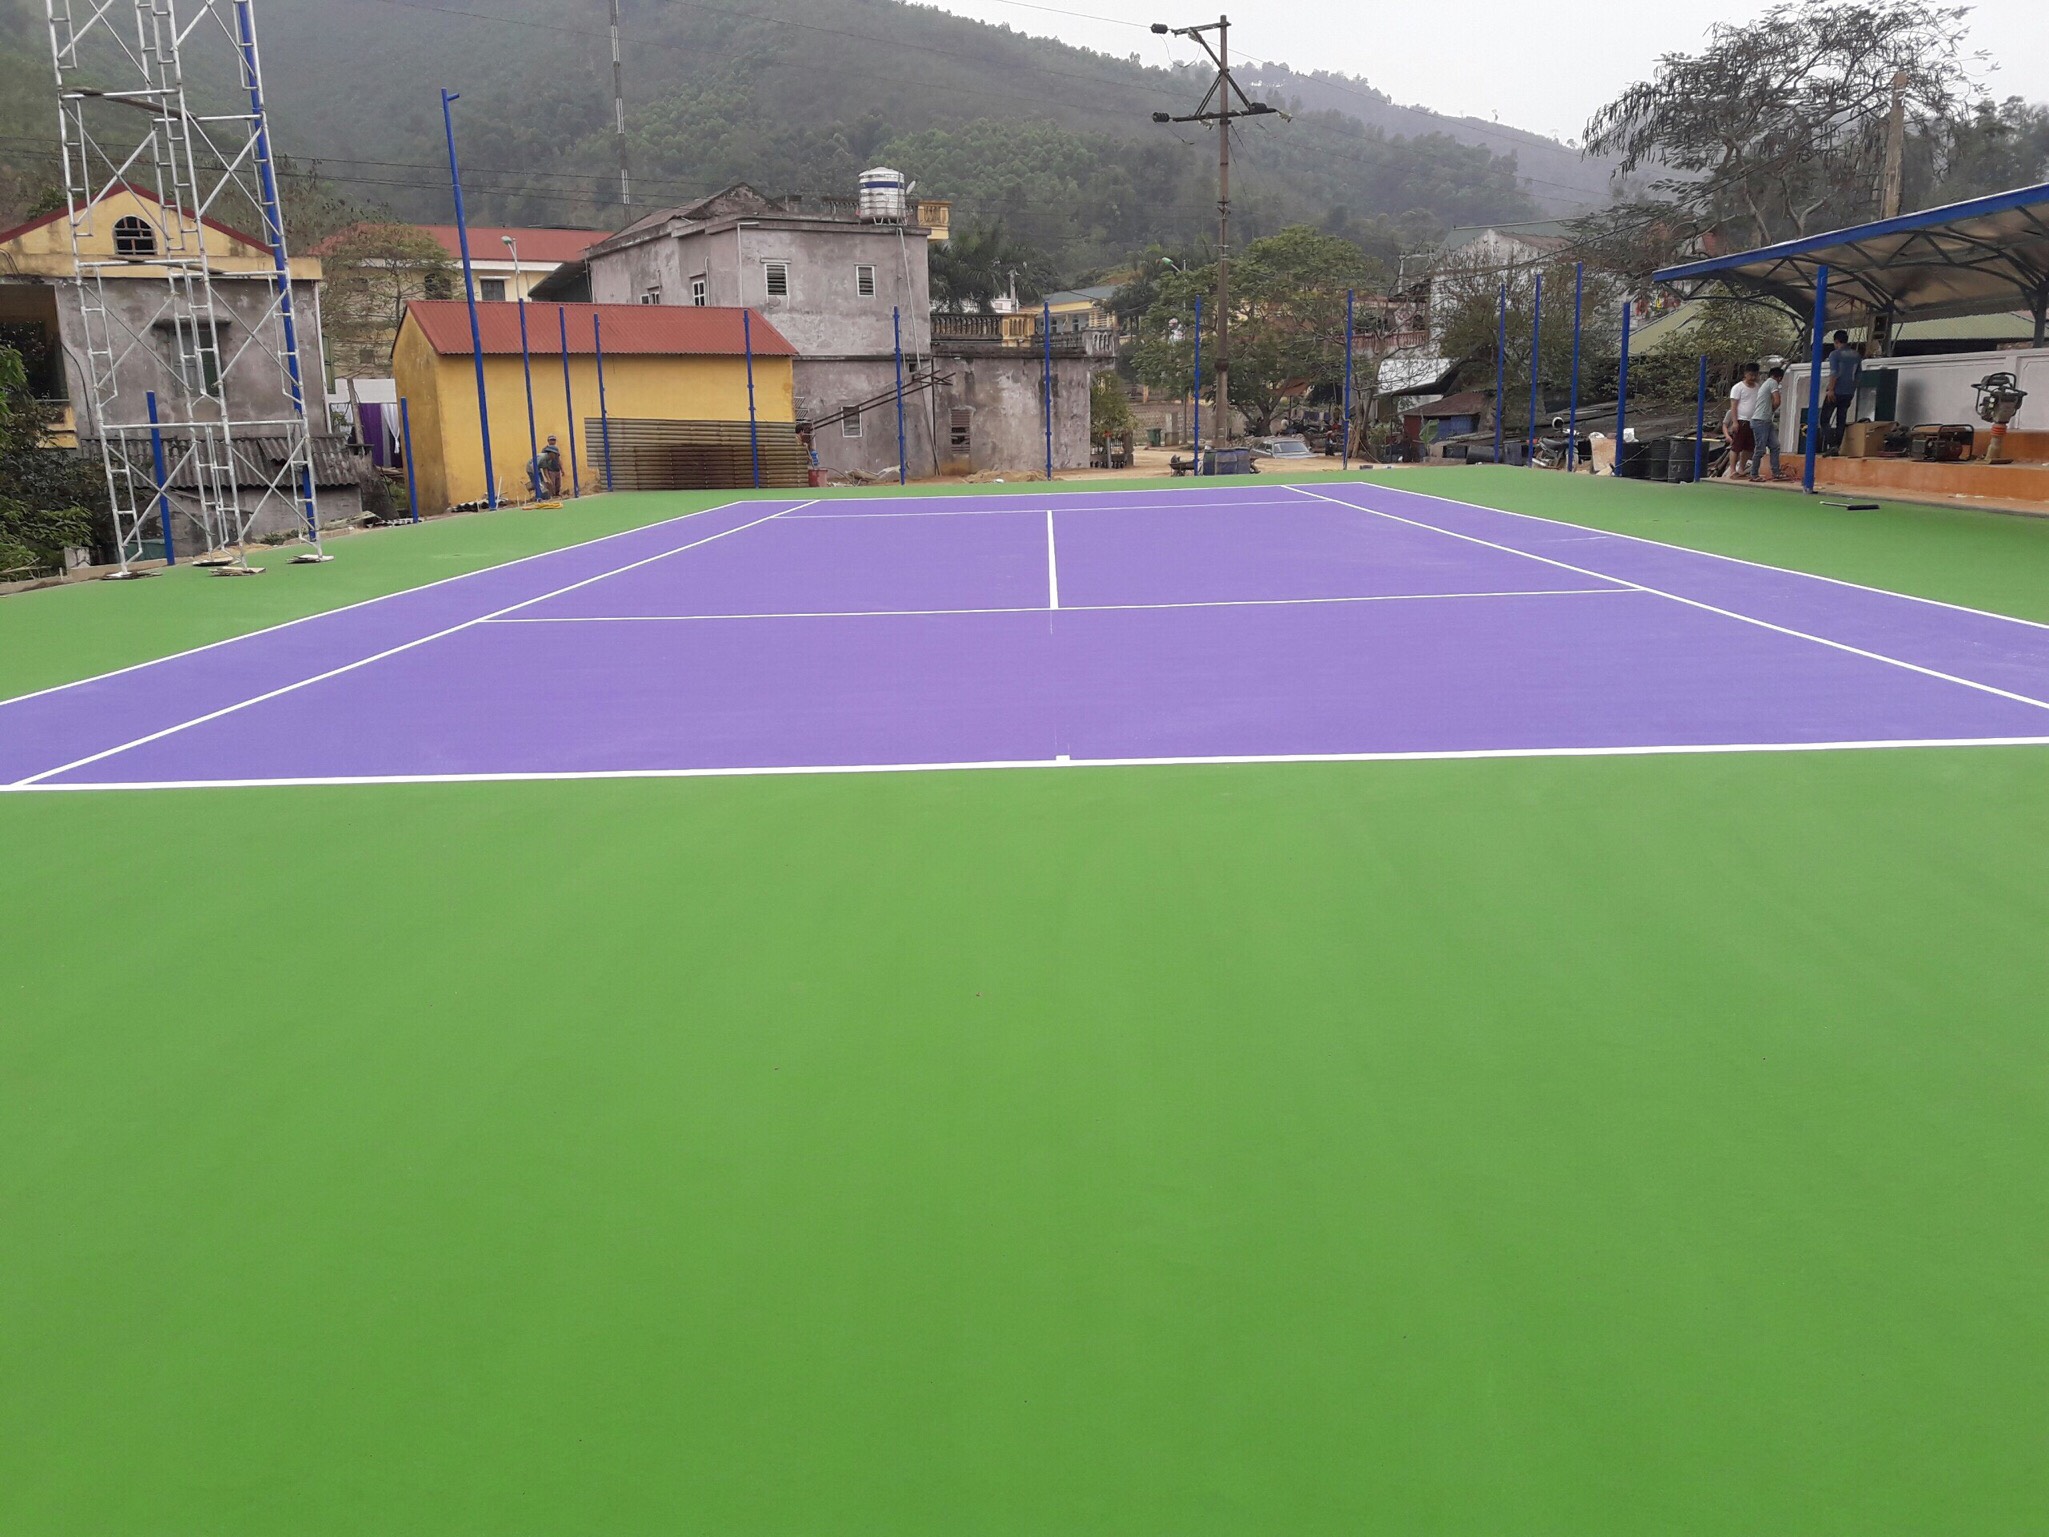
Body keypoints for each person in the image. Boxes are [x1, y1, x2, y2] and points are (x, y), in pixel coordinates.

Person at [1820, 331, 1863, 454]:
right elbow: (1858, 375)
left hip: (1836, 391)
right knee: (1841, 420)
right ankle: (1838, 446)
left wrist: (1831, 389)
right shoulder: (1856, 355)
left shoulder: (1835, 354)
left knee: (1824, 420)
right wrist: (1852, 390)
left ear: (1836, 341)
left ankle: (1832, 444)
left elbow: (1834, 373)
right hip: (1848, 392)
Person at [1724, 362, 1762, 480]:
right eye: (1751, 375)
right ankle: (1732, 470)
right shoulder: (1738, 387)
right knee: (1736, 446)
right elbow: (1733, 406)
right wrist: (1735, 422)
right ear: (1745, 374)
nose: (1753, 377)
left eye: (1755, 375)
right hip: (1741, 420)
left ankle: (1741, 468)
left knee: (1749, 447)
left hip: (1753, 421)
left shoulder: (1758, 387)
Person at [1748, 366, 1785, 481]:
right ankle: (1754, 474)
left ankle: (1776, 472)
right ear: (1779, 378)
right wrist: (1772, 410)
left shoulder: (1765, 384)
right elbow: (1777, 401)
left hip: (1765, 420)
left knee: (1775, 446)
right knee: (1760, 449)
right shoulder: (1773, 382)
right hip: (1761, 420)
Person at [530, 435, 564, 500]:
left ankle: (557, 495)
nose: (553, 441)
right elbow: (543, 463)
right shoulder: (545, 450)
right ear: (548, 441)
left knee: (558, 484)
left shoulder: (556, 449)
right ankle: (552, 496)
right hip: (550, 470)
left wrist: (562, 469)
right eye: (551, 440)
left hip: (557, 469)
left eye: (554, 440)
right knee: (551, 483)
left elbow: (559, 459)